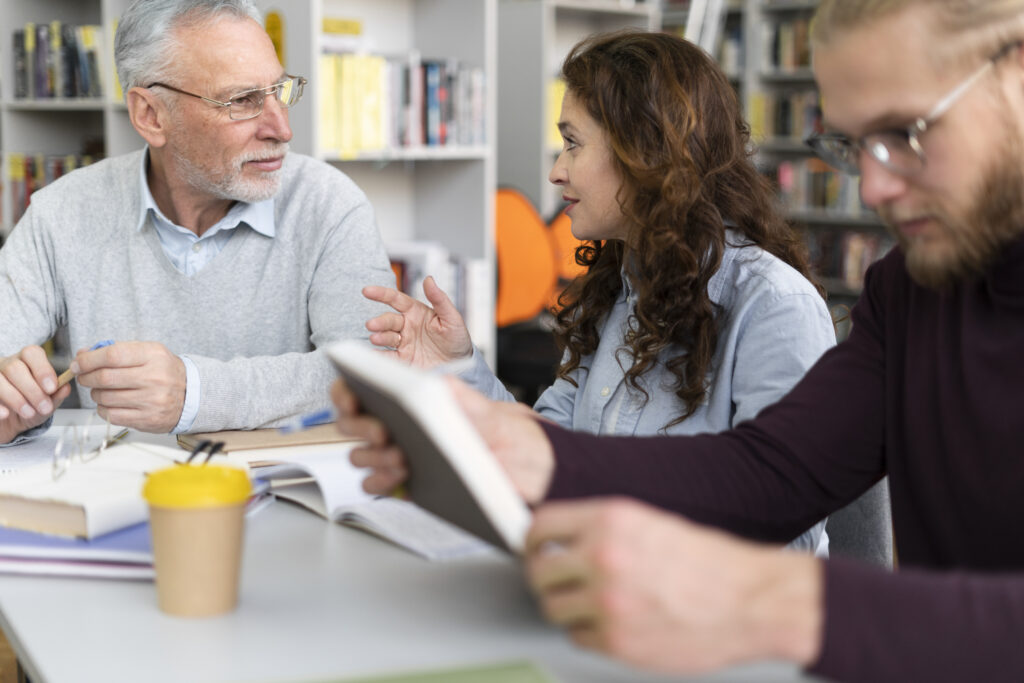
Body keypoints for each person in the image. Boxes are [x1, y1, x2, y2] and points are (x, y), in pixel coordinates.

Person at [335, 0, 1024, 681]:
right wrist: (520, 449)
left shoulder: (777, 301)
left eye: (904, 132)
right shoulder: (911, 290)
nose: (872, 187)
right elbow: (774, 473)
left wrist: (772, 600)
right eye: (852, 146)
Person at [361, 31, 835, 553]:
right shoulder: (621, 286)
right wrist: (456, 367)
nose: (556, 171)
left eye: (573, 143)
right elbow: (548, 451)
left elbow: (786, 538)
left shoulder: (775, 307)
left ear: (644, 151)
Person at [0, 0, 393, 446]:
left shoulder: (329, 203)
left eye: (279, 90)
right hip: (116, 484)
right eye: (242, 100)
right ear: (150, 116)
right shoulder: (61, 212)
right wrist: (12, 409)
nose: (281, 129)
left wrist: (196, 394)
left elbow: (369, 375)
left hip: (284, 486)